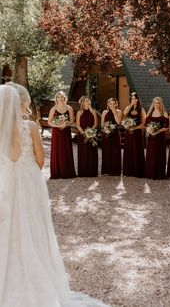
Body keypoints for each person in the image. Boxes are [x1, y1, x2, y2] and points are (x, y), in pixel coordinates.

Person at [0, 83, 109, 307]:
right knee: (33, 224)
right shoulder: (29, 126)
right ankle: (37, 270)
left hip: (9, 181)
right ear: (23, 103)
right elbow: (40, 160)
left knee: (10, 223)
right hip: (29, 180)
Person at [48, 91, 76, 179]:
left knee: (66, 150)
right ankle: (57, 172)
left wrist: (66, 124)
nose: (61, 98)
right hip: (57, 132)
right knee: (57, 150)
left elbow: (71, 121)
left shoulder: (69, 108)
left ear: (65, 98)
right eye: (59, 97)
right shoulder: (53, 109)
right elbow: (49, 122)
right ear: (56, 99)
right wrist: (58, 125)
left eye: (62, 97)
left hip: (66, 132)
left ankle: (67, 172)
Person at [122, 92, 146, 178]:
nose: (134, 100)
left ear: (138, 99)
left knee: (136, 150)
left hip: (137, 133)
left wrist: (134, 128)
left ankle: (137, 171)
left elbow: (144, 123)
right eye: (132, 98)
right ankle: (129, 171)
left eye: (135, 98)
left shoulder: (141, 109)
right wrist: (131, 105)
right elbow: (124, 113)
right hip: (128, 133)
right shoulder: (128, 108)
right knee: (129, 150)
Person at [145, 97, 169, 179]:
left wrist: (157, 131)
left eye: (158, 103)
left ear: (161, 104)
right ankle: (150, 173)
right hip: (151, 138)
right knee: (151, 154)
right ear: (153, 103)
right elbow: (146, 125)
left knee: (159, 154)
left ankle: (159, 174)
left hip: (160, 138)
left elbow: (167, 127)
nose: (156, 104)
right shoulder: (149, 113)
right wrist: (149, 130)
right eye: (155, 102)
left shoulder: (164, 113)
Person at [76, 96, 98, 177]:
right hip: (82, 135)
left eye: (89, 100)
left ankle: (92, 172)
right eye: (86, 101)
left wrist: (90, 132)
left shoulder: (93, 111)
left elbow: (95, 123)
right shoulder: (79, 112)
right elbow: (78, 125)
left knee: (92, 152)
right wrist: (84, 133)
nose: (88, 102)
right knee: (83, 153)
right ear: (82, 103)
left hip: (92, 134)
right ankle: (83, 172)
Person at [101, 98, 122, 176]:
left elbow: (118, 122)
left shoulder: (119, 112)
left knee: (115, 151)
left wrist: (114, 112)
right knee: (106, 151)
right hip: (106, 134)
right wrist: (106, 128)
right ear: (108, 104)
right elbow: (102, 124)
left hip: (115, 134)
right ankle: (106, 170)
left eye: (114, 104)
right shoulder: (104, 112)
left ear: (116, 104)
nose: (112, 105)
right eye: (110, 104)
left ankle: (115, 170)